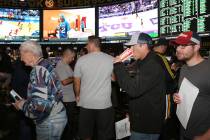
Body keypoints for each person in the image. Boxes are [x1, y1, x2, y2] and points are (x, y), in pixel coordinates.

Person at [113, 32, 166, 140]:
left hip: (147, 125)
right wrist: (131, 113)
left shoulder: (152, 64)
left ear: (143, 45)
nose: (130, 49)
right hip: (140, 119)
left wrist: (118, 65)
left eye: (133, 46)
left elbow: (133, 90)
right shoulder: (142, 61)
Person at [13, 40, 67, 140]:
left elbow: (40, 107)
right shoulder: (46, 64)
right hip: (57, 114)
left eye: (21, 55)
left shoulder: (38, 71)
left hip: (50, 120)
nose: (21, 58)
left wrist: (22, 105)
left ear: (29, 54)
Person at [74, 36, 114, 140]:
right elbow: (114, 79)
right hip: (104, 104)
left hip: (86, 103)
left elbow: (76, 83)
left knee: (86, 134)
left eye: (87, 44)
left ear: (92, 44)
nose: (86, 47)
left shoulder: (81, 60)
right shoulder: (110, 59)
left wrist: (77, 95)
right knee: (104, 135)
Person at [172, 31, 210, 140]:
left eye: (183, 46)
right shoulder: (183, 68)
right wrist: (177, 96)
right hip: (183, 132)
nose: (178, 49)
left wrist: (205, 137)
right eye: (177, 45)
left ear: (197, 47)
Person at [55, 48, 77, 140]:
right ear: (67, 56)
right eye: (72, 57)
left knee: (69, 122)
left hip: (69, 98)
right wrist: (76, 77)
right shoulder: (61, 66)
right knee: (67, 123)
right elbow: (64, 81)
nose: (73, 59)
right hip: (66, 99)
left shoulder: (65, 65)